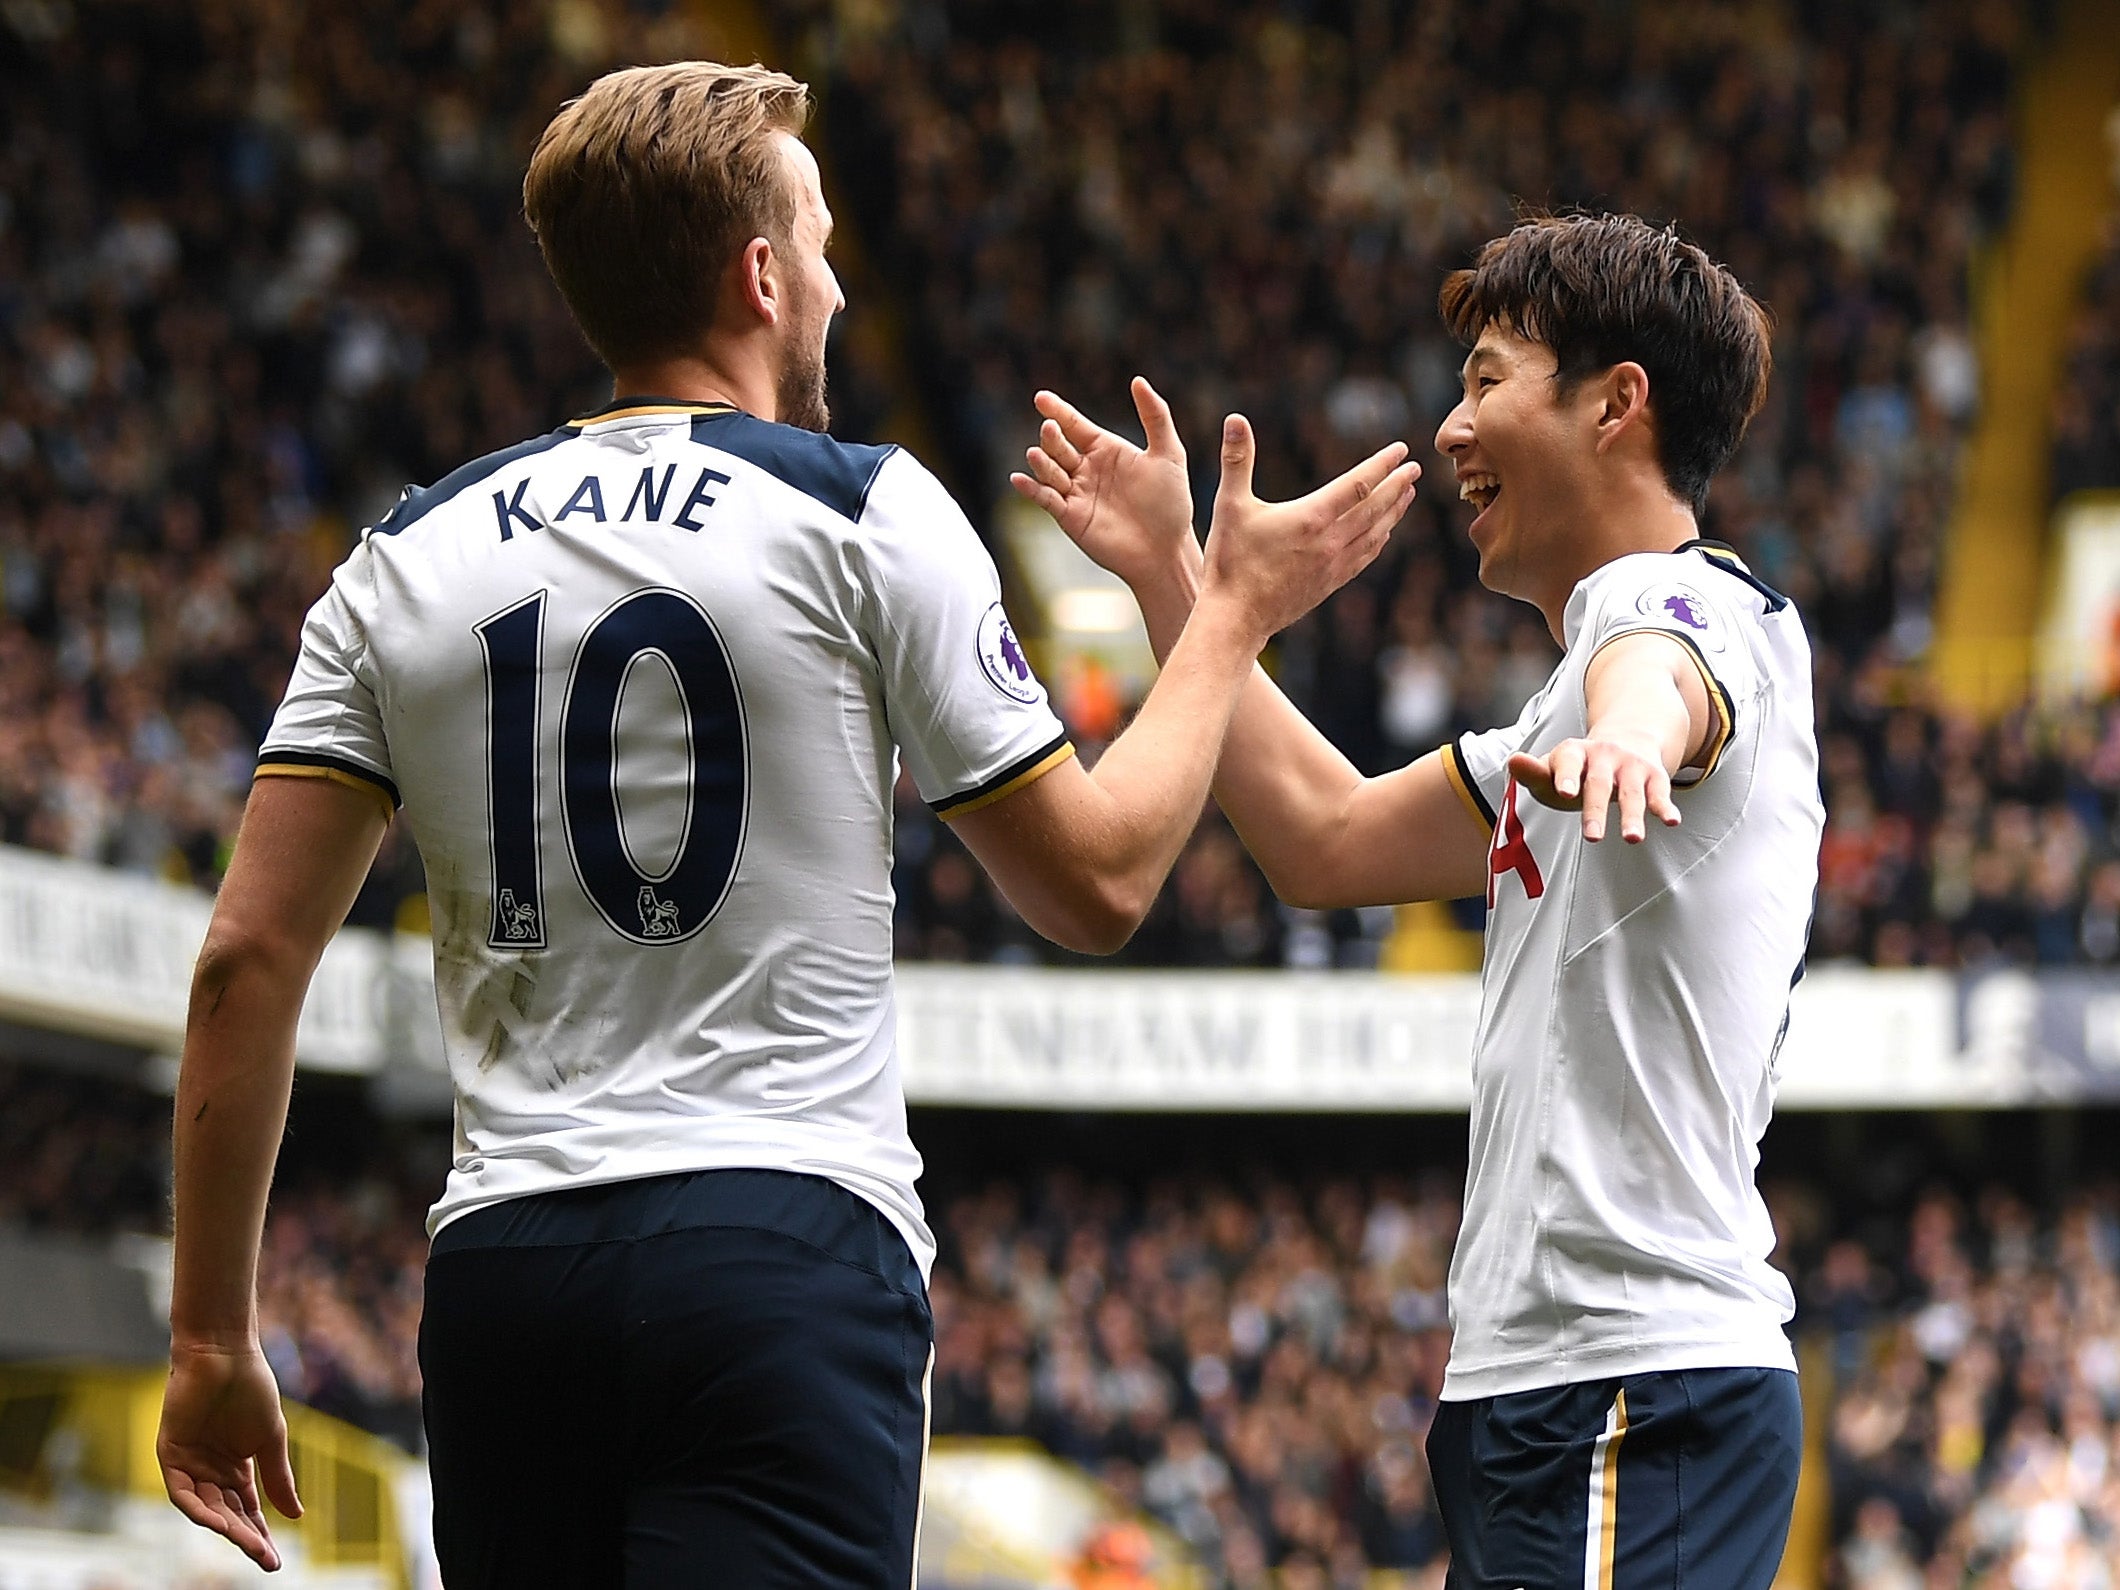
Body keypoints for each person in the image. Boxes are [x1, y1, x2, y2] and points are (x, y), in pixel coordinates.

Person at [151, 61, 1418, 1588]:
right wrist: (1227, 616)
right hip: (778, 1252)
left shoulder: (399, 558)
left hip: (507, 1274)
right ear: (760, 275)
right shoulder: (863, 509)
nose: (830, 280)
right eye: (816, 243)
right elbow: (1098, 881)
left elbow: (244, 961)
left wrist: (212, 1335)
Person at [1014, 213, 1821, 1588]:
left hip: (1635, 1379)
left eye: (1489, 380)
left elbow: (1661, 670)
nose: (1452, 428)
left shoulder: (1684, 612)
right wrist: (1174, 580)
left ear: (1617, 402)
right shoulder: (1554, 722)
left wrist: (1632, 737)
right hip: (1545, 1383)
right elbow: (1323, 839)